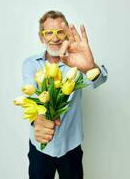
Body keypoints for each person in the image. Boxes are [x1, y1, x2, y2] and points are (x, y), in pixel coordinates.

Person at [22, 10, 108, 179]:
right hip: (40, 146)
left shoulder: (76, 62)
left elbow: (98, 81)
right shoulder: (31, 64)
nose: (55, 38)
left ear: (67, 35)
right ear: (41, 37)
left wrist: (89, 67)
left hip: (71, 146)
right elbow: (29, 98)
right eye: (49, 33)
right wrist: (37, 121)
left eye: (60, 32)